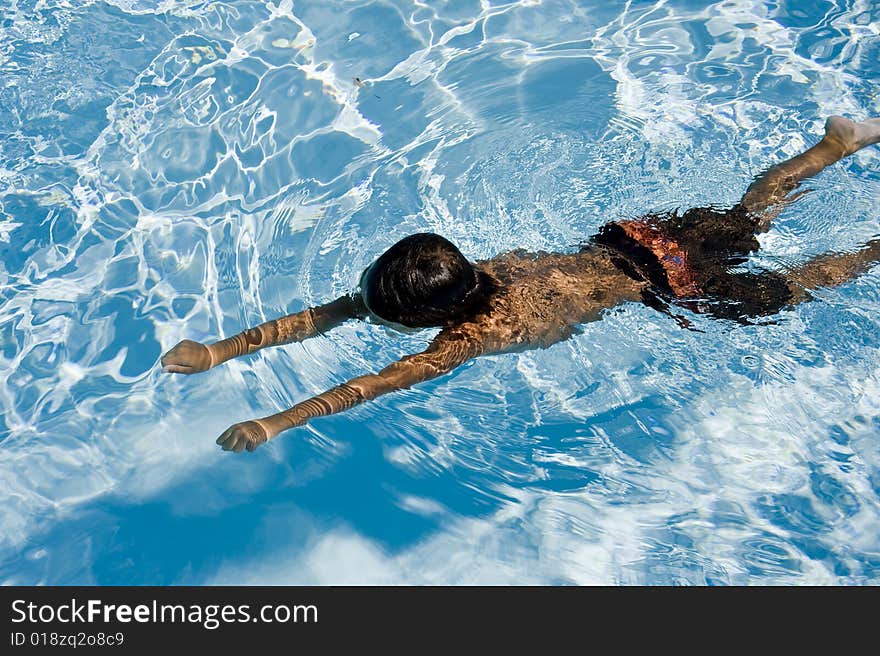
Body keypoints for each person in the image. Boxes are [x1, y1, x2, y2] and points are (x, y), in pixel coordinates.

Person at [161, 115, 880, 453]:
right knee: (745, 214)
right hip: (633, 241)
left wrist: (274, 422)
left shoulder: (470, 336)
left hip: (666, 284)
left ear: (421, 320)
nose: (364, 308)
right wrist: (217, 352)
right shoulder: (473, 274)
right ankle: (832, 146)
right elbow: (332, 314)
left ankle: (874, 248)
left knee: (793, 289)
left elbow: (372, 385)